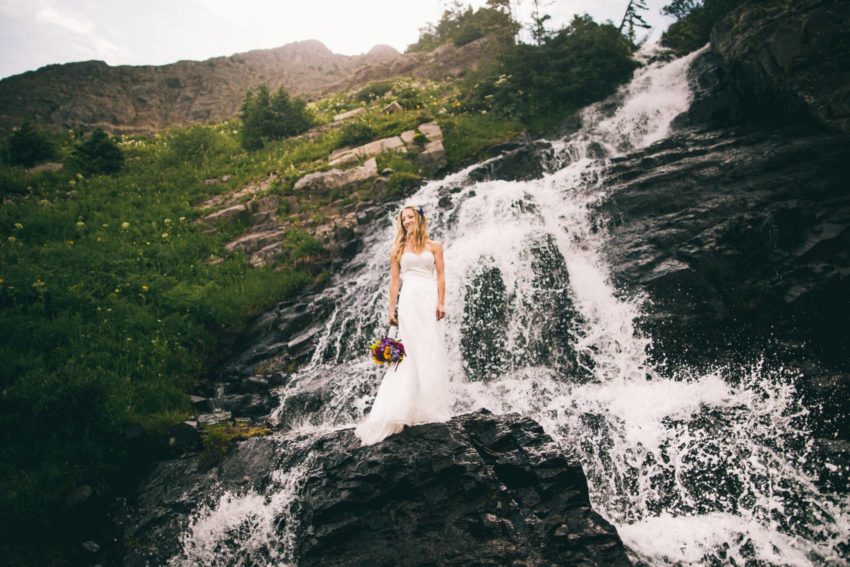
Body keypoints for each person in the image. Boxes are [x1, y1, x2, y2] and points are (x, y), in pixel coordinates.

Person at [354, 205, 452, 446]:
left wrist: (441, 302)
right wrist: (391, 309)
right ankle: (401, 407)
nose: (407, 221)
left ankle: (428, 407)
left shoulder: (434, 246)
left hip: (428, 298)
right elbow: (395, 282)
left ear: (419, 218)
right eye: (403, 219)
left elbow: (440, 276)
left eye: (410, 217)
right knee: (409, 351)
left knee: (428, 348)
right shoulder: (397, 249)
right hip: (408, 301)